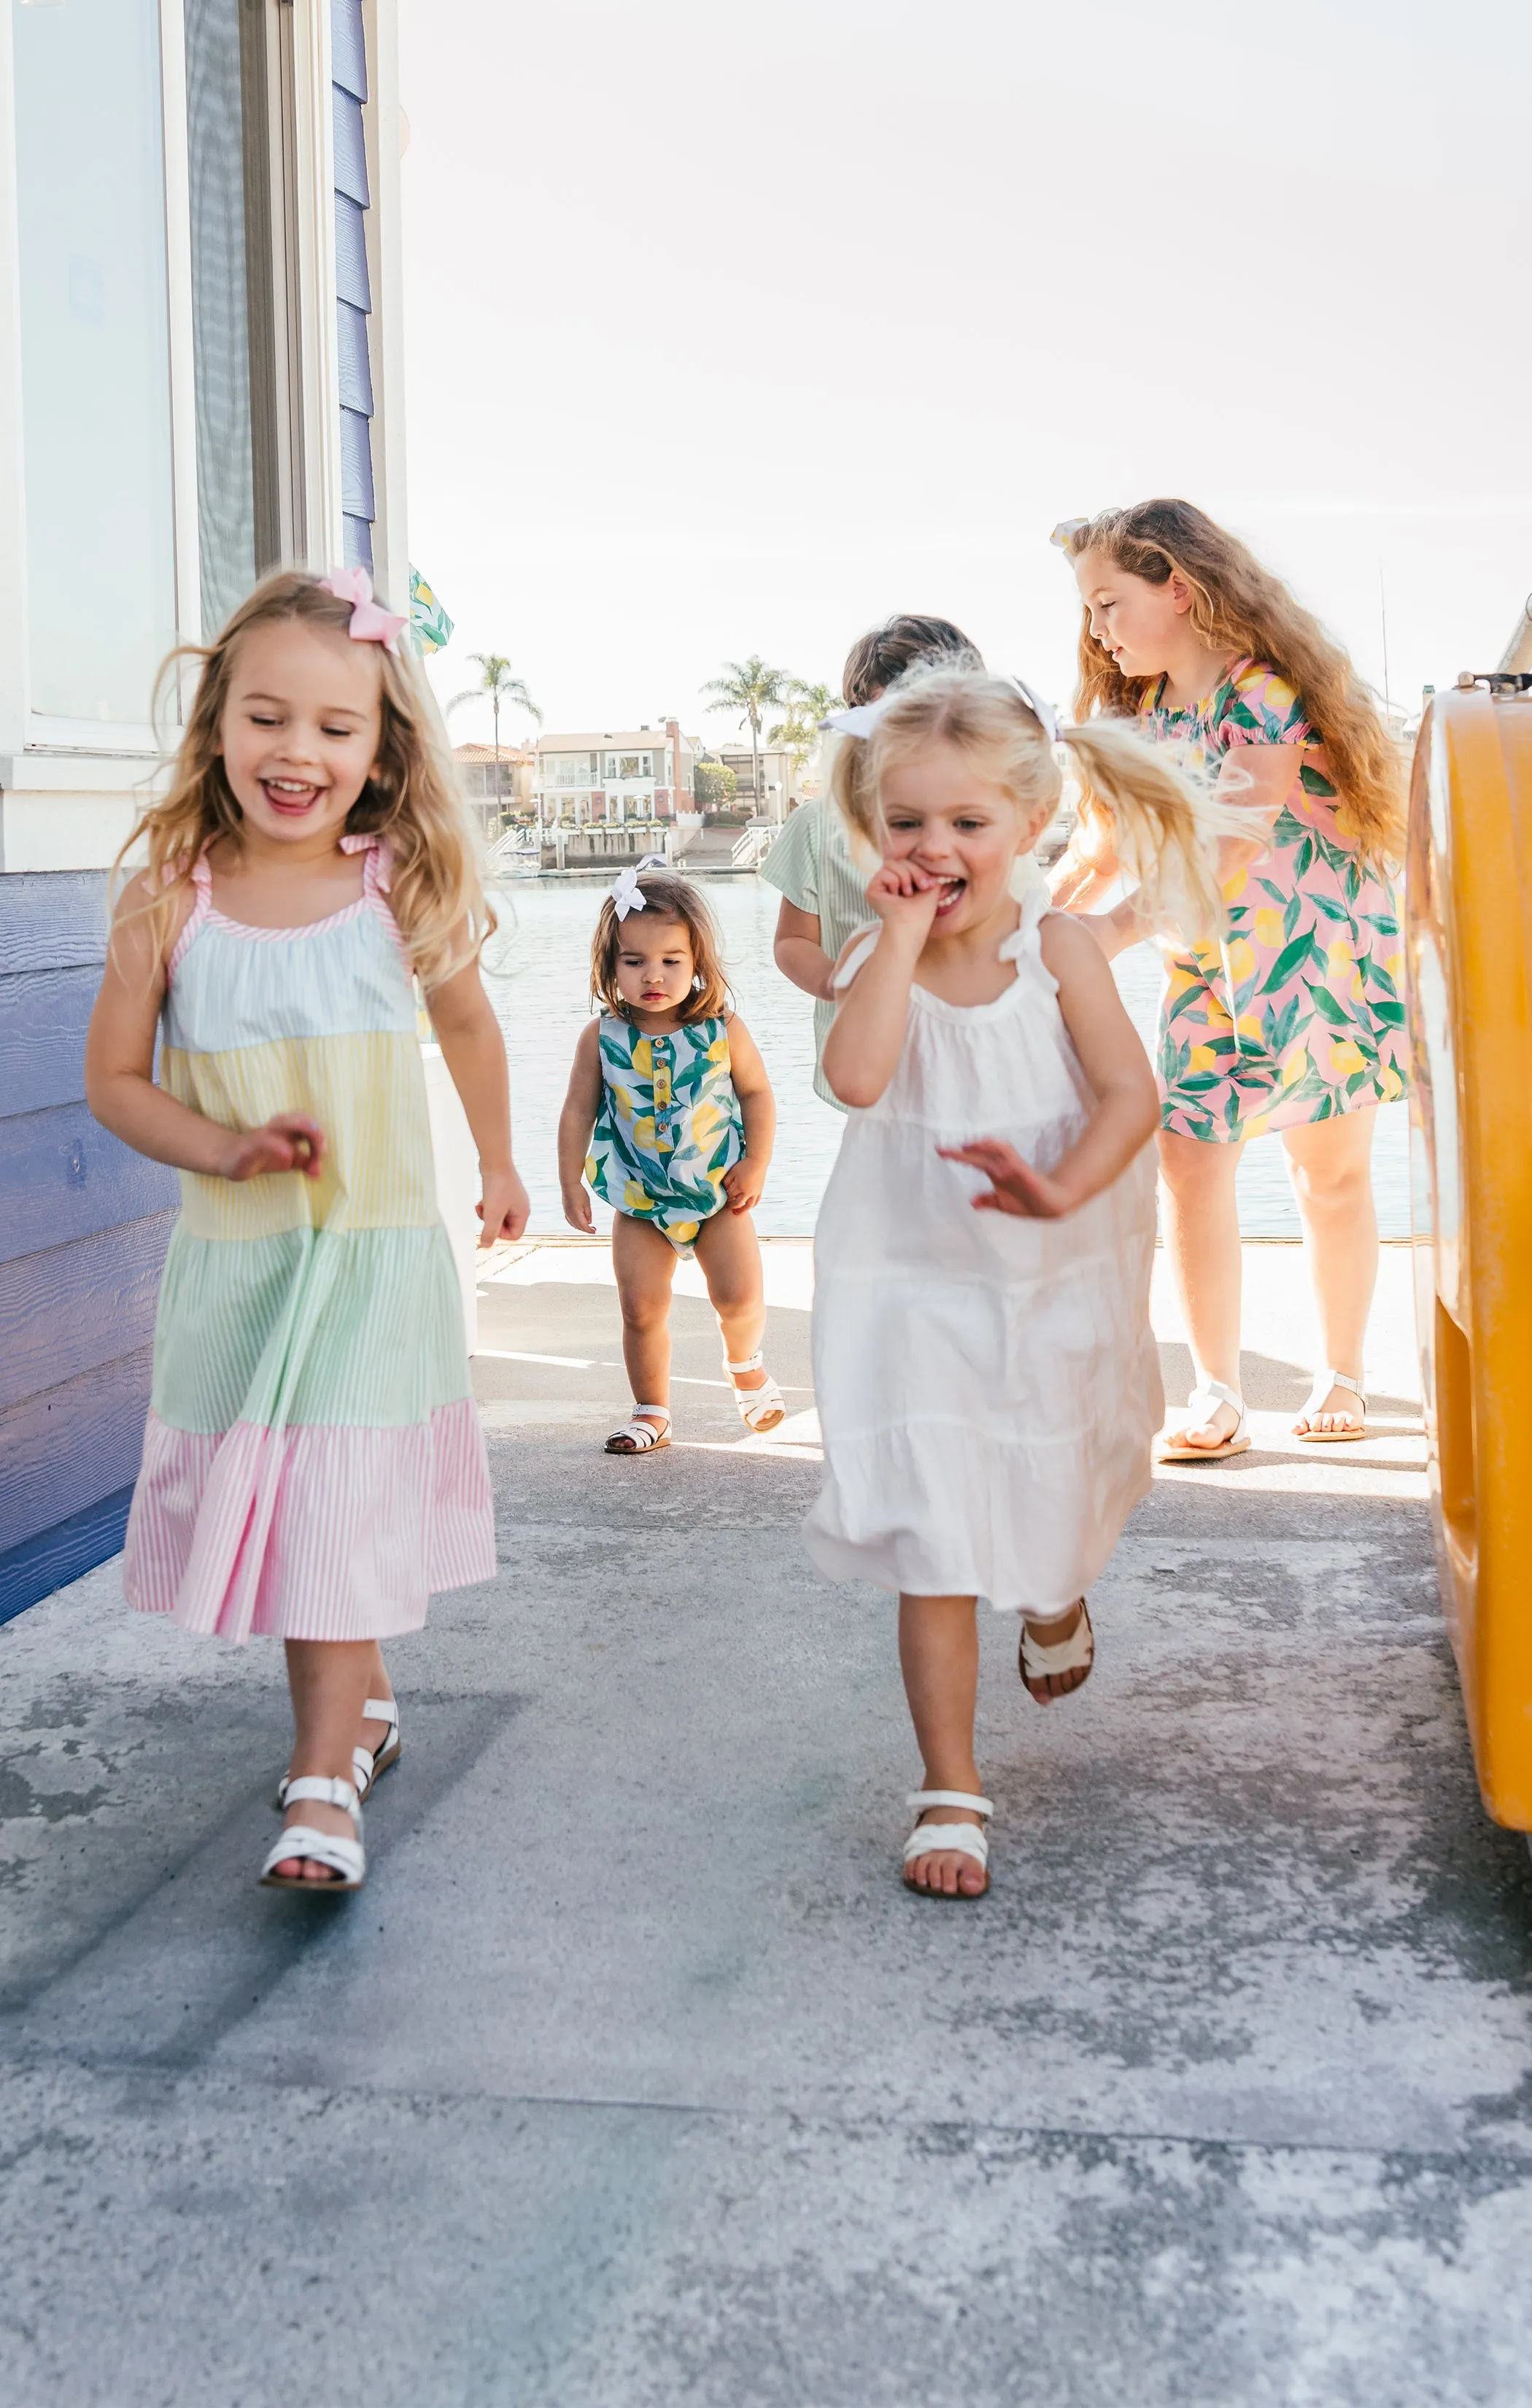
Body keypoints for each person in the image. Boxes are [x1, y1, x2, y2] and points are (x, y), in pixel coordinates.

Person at [85, 566, 529, 1894]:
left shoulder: (396, 885)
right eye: (268, 718)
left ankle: (323, 1780)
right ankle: (369, 1702)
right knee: (303, 1520)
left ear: (382, 749)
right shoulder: (172, 892)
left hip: (374, 1254)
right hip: (242, 1263)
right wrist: (225, 1147)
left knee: (333, 1507)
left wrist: (501, 1161)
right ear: (218, 718)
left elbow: (467, 1024)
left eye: (337, 729)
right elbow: (115, 1082)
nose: (299, 752)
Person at [807, 661, 1231, 1899]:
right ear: (872, 830)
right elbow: (858, 1081)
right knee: (933, 1531)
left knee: (1056, 1482)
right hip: (911, 1282)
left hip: (1051, 1270)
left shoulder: (1059, 952)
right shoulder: (872, 951)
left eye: (966, 825)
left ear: (1029, 827)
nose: (934, 848)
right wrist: (891, 935)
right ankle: (950, 1785)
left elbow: (1128, 1098)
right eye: (906, 824)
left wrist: (1059, 1190)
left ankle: (1054, 1596)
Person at [1049, 501, 1407, 1458]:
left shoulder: (1265, 698)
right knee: (1189, 1162)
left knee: (1326, 1177)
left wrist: (1111, 931)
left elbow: (1232, 843)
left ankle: (1342, 1371)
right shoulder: (1146, 720)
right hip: (1207, 978)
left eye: (1109, 603)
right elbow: (1095, 851)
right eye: (1088, 611)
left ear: (1181, 587)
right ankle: (1219, 1392)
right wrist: (1027, 927)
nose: (1096, 631)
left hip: (1316, 970)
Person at [557, 863, 786, 1454]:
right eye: (633, 962)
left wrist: (756, 1163)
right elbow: (578, 1112)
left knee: (738, 1298)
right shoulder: (602, 1038)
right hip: (639, 1197)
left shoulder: (721, 1029)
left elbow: (757, 1095)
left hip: (717, 1192)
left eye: (670, 961)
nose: (652, 975)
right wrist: (570, 1181)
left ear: (697, 962)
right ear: (610, 966)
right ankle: (651, 1411)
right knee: (640, 1307)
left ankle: (746, 1366)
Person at [762, 614, 980, 1106]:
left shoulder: (988, 822)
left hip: (971, 1054)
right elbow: (793, 939)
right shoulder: (818, 825)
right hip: (870, 1058)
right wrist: (833, 980)